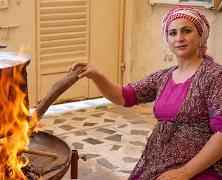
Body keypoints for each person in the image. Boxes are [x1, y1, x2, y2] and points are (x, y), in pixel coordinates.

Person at [68, 6, 222, 180]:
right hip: (160, 162)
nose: (179, 38)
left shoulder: (213, 76)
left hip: (200, 167)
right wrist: (95, 75)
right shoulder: (163, 77)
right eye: (172, 33)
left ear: (201, 35)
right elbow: (123, 96)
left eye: (186, 31)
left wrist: (185, 172)